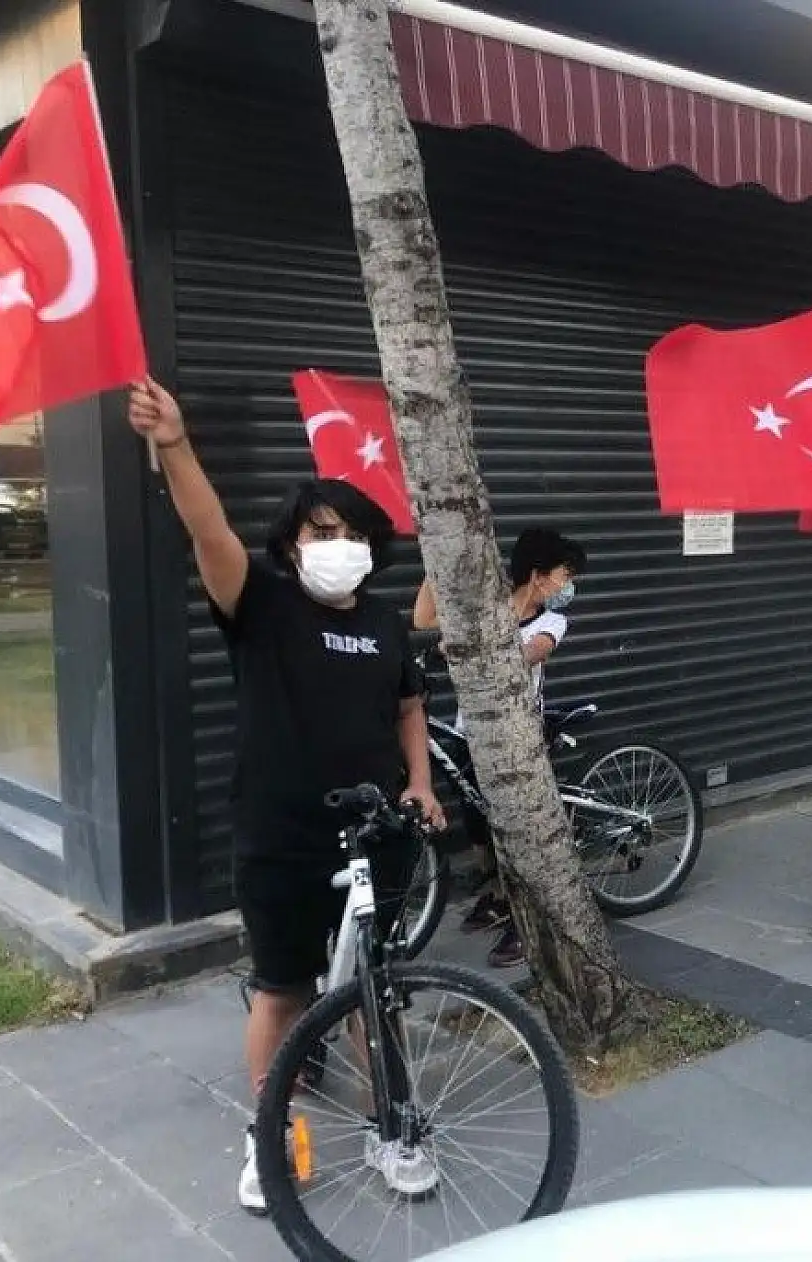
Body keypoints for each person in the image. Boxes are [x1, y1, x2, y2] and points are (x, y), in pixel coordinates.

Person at [126, 378, 446, 1216]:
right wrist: (175, 443)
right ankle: (270, 1134)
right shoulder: (259, 603)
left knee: (374, 987)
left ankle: (394, 1126)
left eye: (351, 533)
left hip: (377, 833)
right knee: (283, 989)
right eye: (320, 531)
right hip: (281, 834)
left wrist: (419, 782)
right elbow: (206, 527)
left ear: (372, 546)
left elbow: (409, 706)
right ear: (294, 542)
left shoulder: (382, 623)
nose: (336, 544)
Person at [414, 527, 587, 969]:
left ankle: (527, 917)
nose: (569, 586)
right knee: (476, 819)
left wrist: (465, 646)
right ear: (539, 574)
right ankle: (495, 895)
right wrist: (436, 563)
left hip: (519, 738)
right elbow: (424, 618)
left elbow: (528, 654)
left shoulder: (552, 621)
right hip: (473, 729)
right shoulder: (487, 608)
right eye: (565, 575)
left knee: (517, 829)